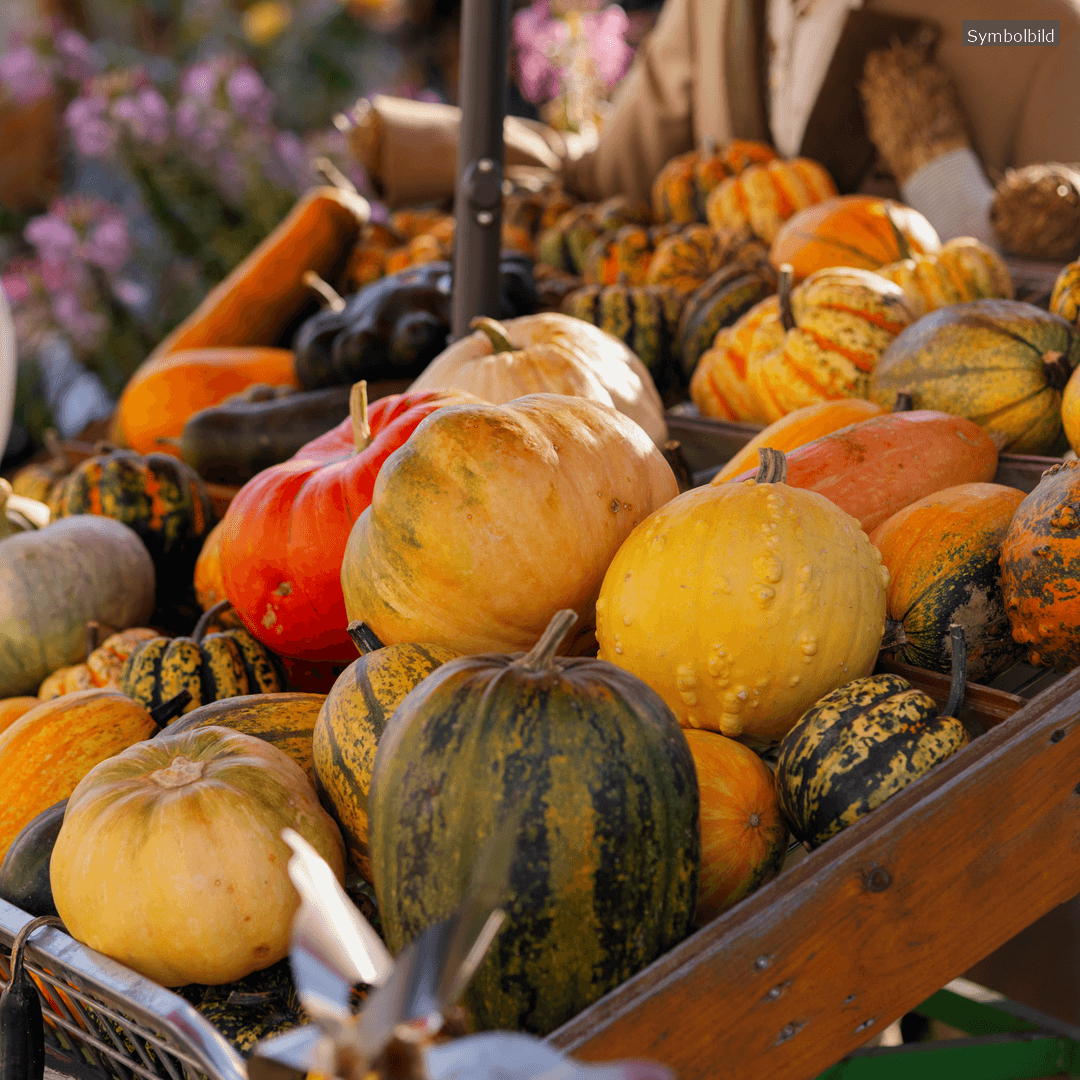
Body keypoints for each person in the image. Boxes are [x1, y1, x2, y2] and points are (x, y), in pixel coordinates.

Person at [352, 0, 1080, 245]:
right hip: (724, 424)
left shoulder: (1022, 25)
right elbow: (606, 179)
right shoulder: (713, 9)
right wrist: (418, 147)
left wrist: (945, 179)